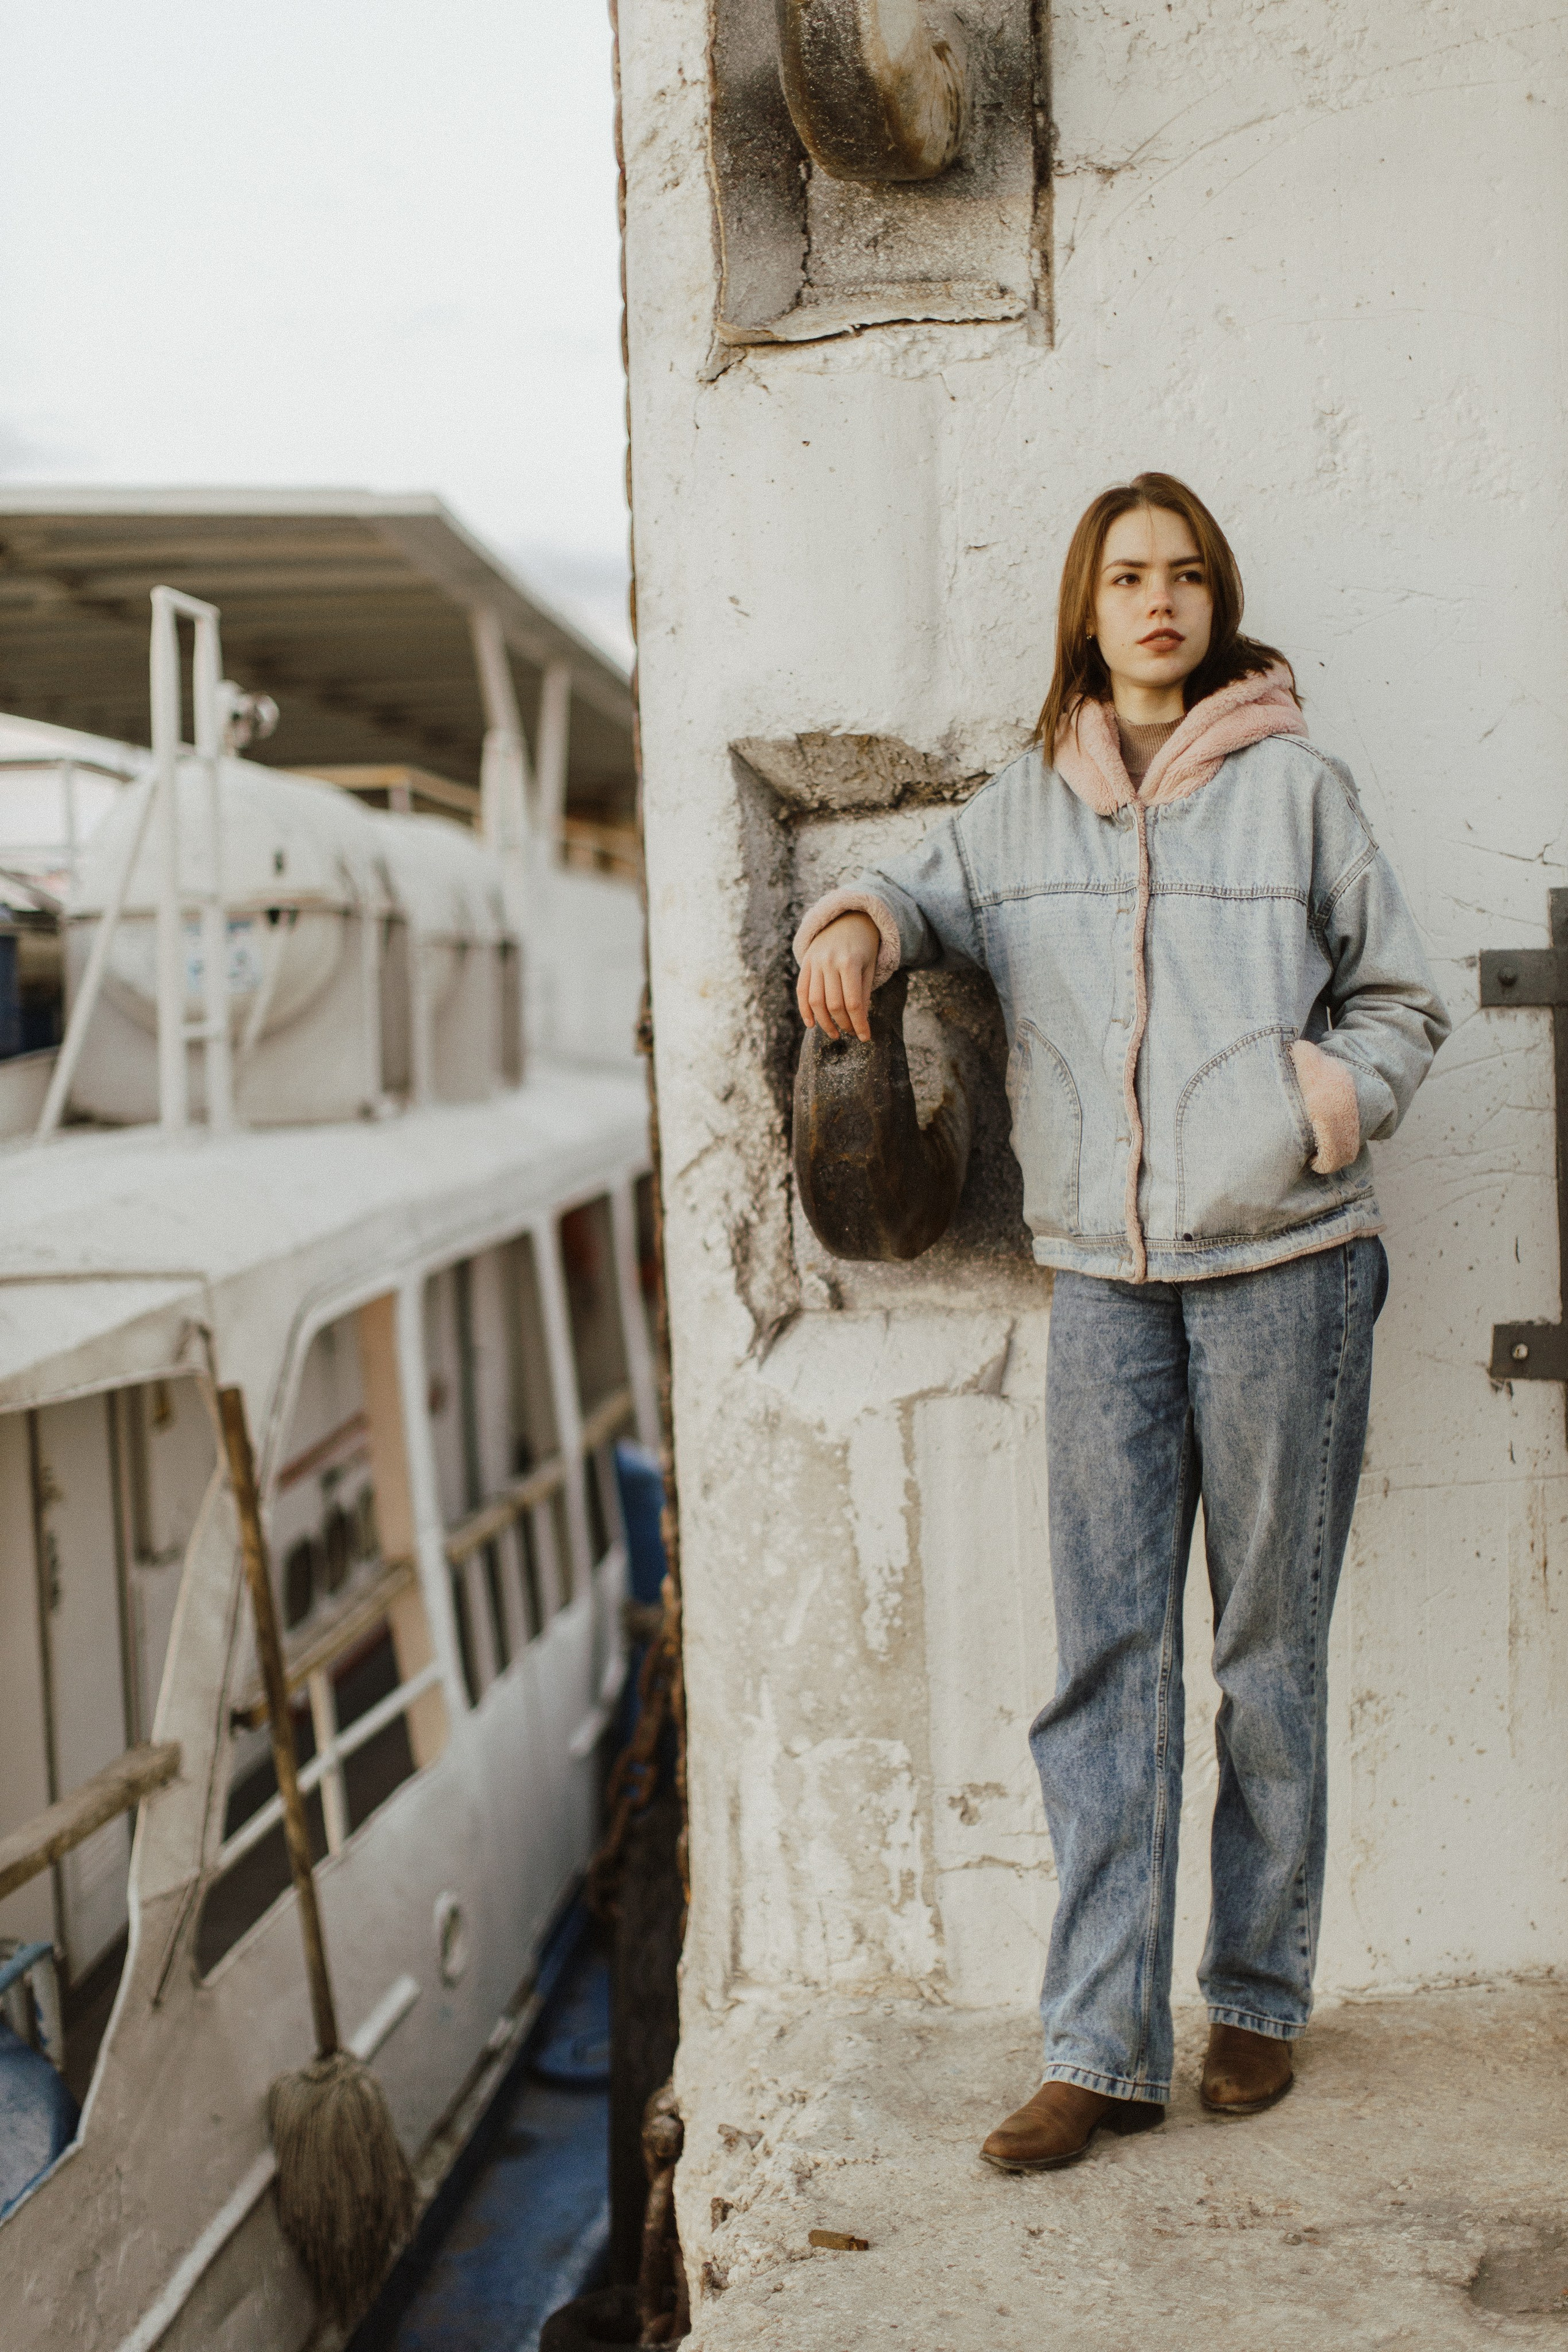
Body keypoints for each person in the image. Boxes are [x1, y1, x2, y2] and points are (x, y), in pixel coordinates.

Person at [792, 473, 1449, 2172]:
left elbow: (1403, 998)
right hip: (1105, 1282)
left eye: (1185, 577)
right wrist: (852, 920)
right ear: (1087, 612)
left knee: (1265, 1655)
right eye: (1127, 579)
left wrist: (1327, 1098)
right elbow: (908, 892)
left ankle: (1254, 2000)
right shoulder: (1022, 813)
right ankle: (1097, 2043)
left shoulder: (1300, 790)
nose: (1158, 603)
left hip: (1291, 1271)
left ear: (1216, 603)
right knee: (1102, 1667)